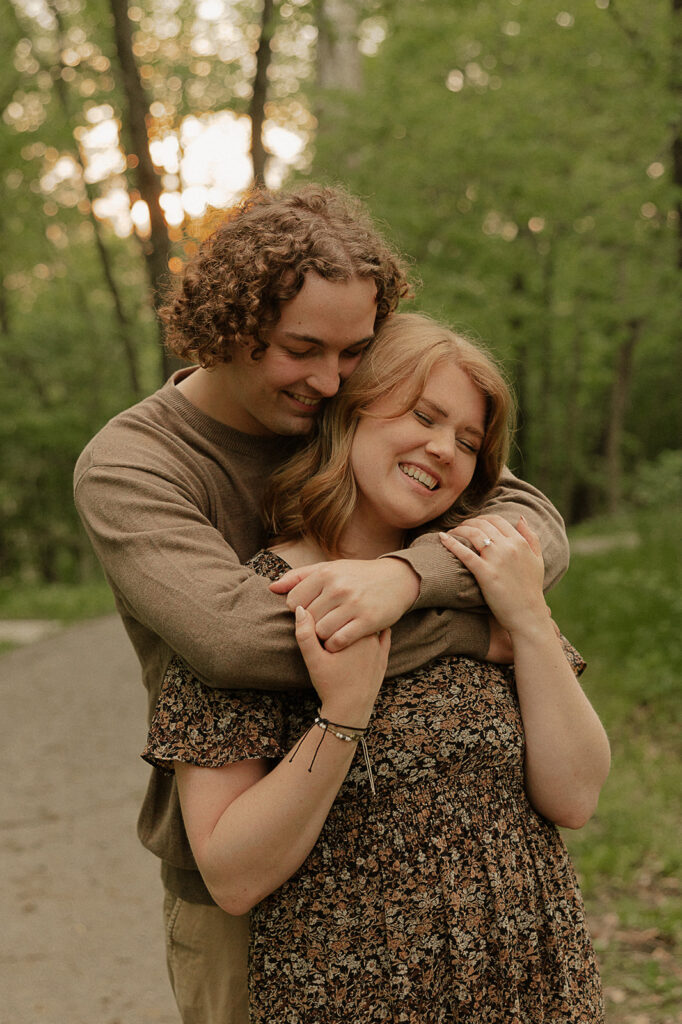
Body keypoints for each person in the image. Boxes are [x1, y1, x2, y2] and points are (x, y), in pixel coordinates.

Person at [74, 186, 570, 1024]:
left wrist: (404, 579)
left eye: (353, 351)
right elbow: (235, 640)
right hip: (247, 860)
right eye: (302, 348)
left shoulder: (343, 399)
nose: (329, 377)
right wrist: (475, 623)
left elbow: (532, 527)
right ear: (228, 325)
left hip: (418, 862)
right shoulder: (135, 463)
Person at [142, 312, 610, 1022]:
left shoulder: (476, 577)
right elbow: (232, 875)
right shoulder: (254, 608)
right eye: (423, 415)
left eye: (468, 441)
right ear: (352, 412)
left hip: (529, 982)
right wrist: (342, 715)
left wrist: (528, 619)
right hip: (356, 994)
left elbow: (574, 797)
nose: (443, 449)